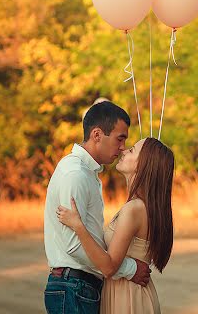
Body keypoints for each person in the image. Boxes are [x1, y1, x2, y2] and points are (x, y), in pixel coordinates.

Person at [44, 100, 151, 314]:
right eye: (119, 139)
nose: (122, 148)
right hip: (73, 287)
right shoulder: (75, 174)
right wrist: (129, 269)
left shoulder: (87, 173)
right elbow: (73, 246)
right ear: (97, 135)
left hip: (79, 287)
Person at [56, 136, 175, 314]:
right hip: (128, 293)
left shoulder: (134, 209)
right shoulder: (143, 206)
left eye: (132, 150)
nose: (124, 151)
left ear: (144, 165)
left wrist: (78, 226)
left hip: (128, 298)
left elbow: (108, 266)